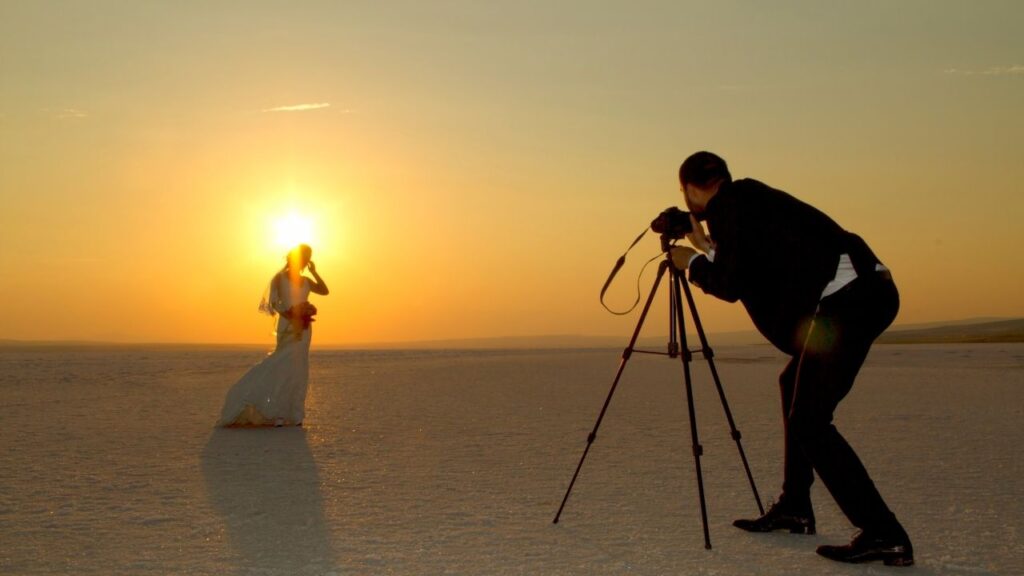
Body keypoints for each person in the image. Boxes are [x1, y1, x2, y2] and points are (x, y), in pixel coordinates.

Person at [668, 151, 913, 566]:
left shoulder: (731, 205)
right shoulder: (748, 201)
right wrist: (707, 246)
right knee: (792, 385)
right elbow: (750, 265)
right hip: (863, 292)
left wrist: (691, 263)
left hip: (850, 300)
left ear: (691, 190)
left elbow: (729, 284)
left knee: (810, 421)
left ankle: (884, 534)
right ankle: (796, 507)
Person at [217, 244, 329, 427]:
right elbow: (274, 304)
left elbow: (324, 291)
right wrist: (292, 316)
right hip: (289, 326)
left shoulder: (307, 280)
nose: (306, 260)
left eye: (308, 257)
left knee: (299, 368)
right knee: (281, 363)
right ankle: (272, 410)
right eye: (304, 257)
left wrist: (315, 272)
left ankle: (294, 414)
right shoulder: (279, 278)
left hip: (305, 327)